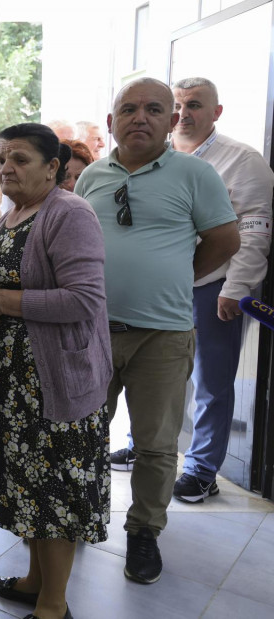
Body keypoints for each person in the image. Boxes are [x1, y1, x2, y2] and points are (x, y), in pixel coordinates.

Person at [74, 77, 239, 585]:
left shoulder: (195, 174)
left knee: (155, 445)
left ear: (171, 121)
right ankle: (79, 516)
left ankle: (143, 533)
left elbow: (224, 240)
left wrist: (173, 278)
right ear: (111, 122)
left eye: (153, 109)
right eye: (128, 109)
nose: (139, 117)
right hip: (92, 332)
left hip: (162, 336)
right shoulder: (90, 178)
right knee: (81, 434)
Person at [111, 78, 274, 502]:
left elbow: (252, 232)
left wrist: (235, 288)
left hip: (210, 286)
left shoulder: (242, 160)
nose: (184, 113)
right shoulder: (155, 157)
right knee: (152, 373)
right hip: (155, 291)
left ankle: (202, 469)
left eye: (195, 105)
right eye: (178, 105)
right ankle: (139, 443)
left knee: (210, 382)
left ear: (216, 112)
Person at [0, 124, 111, 619]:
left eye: (20, 159)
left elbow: (84, 299)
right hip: (11, 387)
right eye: (1, 159)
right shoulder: (12, 216)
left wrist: (1, 300)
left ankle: (53, 605)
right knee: (27, 488)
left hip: (54, 386)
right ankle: (35, 581)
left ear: (53, 168)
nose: (6, 168)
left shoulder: (69, 213)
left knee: (55, 493)